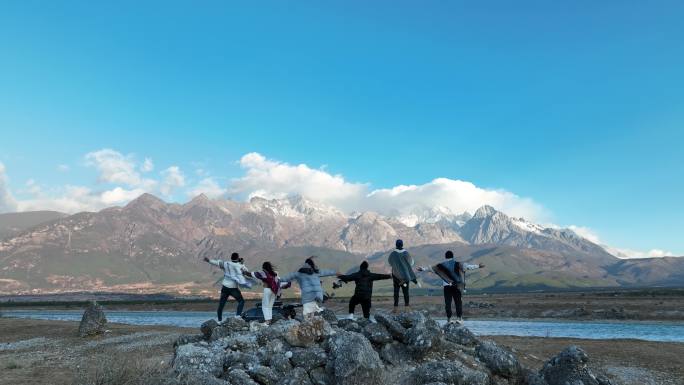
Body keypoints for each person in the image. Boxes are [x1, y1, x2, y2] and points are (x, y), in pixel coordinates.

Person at [429, 250, 485, 324]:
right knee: (458, 302)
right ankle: (459, 319)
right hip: (456, 286)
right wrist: (478, 266)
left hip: (446, 287)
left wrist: (422, 269)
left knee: (448, 303)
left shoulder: (441, 265)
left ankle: (449, 320)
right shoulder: (457, 264)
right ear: (452, 257)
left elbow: (432, 269)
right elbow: (468, 267)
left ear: (445, 257)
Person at [204, 252, 251, 322]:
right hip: (233, 288)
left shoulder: (226, 264)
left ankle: (219, 321)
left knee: (221, 305)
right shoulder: (239, 265)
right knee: (241, 301)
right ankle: (237, 315)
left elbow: (217, 263)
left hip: (225, 287)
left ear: (231, 258)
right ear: (238, 258)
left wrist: (209, 261)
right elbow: (246, 271)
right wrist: (242, 263)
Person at [387, 239, 417, 313]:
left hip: (396, 276)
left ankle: (395, 308)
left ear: (396, 245)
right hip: (405, 276)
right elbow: (411, 263)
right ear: (402, 245)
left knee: (396, 292)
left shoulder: (393, 254)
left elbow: (390, 262)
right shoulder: (406, 253)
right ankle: (407, 308)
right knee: (405, 292)